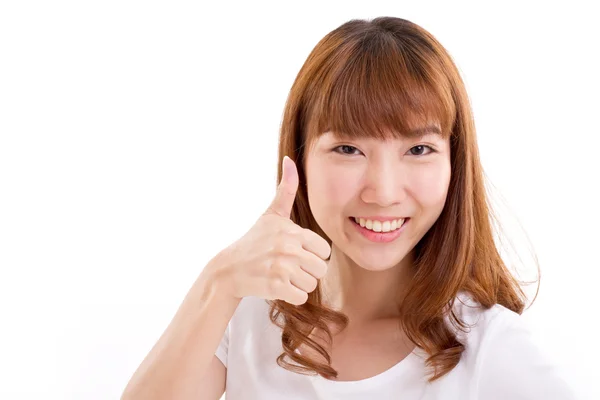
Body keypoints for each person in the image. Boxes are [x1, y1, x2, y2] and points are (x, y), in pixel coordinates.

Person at [121, 16, 578, 400]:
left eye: (418, 149)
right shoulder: (250, 317)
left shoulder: (487, 346)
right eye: (347, 149)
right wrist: (218, 282)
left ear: (454, 165)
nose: (382, 191)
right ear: (298, 159)